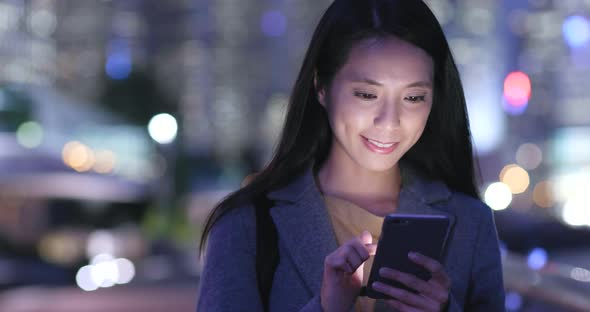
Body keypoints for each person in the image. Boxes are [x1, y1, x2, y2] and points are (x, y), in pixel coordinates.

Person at [197, 0, 505, 311]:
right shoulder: (246, 224)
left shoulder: (471, 222)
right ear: (321, 87)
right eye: (367, 94)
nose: (389, 121)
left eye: (413, 97)